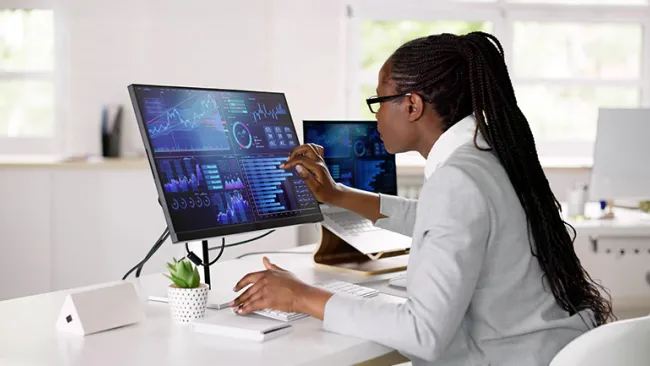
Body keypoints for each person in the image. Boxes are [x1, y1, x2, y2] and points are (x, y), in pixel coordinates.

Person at [229, 32, 613, 365]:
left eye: (379, 102)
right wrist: (338, 194)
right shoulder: (488, 156)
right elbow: (434, 219)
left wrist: (299, 295)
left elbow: (422, 332)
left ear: (412, 105)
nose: (376, 118)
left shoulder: (458, 179)